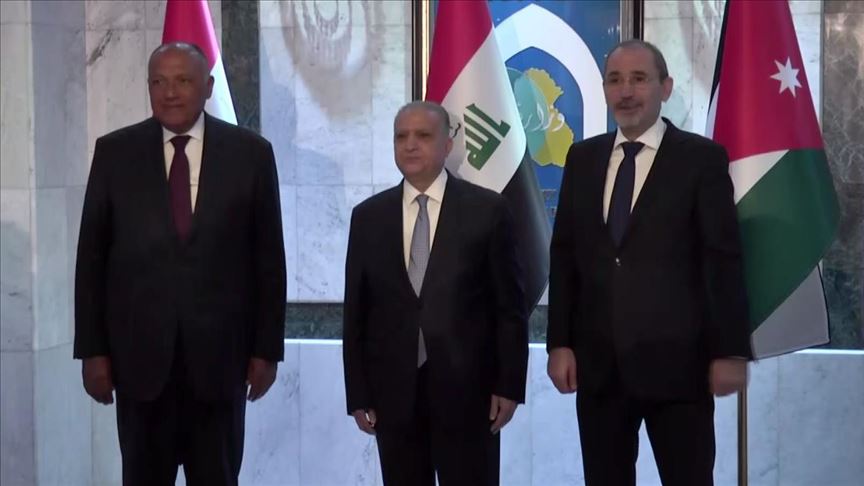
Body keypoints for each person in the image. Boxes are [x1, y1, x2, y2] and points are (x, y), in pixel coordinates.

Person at [74, 42, 286, 486]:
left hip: (220, 365)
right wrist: (93, 351)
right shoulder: (115, 153)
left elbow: (268, 262)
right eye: (159, 82)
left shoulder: (251, 154)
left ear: (207, 87)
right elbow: (92, 260)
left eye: (183, 81)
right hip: (139, 366)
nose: (170, 92)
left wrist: (266, 350)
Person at [546, 39, 752, 486]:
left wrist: (730, 350)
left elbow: (722, 260)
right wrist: (558, 343)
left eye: (639, 79)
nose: (626, 91)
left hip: (679, 368)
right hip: (599, 369)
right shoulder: (582, 159)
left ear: (666, 87)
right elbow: (564, 257)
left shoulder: (701, 159)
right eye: (615, 80)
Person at [342, 101, 529, 485]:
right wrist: (358, 394)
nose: (410, 145)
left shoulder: (487, 211)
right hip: (393, 395)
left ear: (448, 145)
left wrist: (509, 385)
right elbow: (356, 312)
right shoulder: (368, 216)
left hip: (471, 393)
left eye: (423, 136)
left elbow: (509, 308)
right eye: (401, 137)